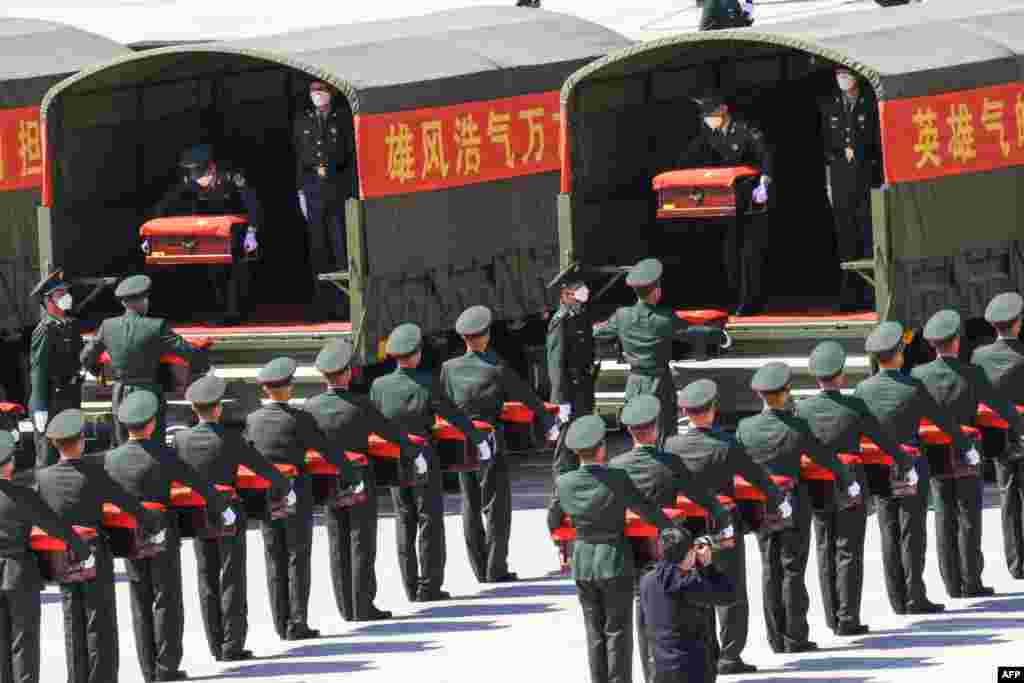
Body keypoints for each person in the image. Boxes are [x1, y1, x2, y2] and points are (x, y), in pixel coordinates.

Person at [665, 378, 790, 675]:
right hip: (722, 525)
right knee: (729, 588)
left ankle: (706, 653)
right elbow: (757, 476)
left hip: (689, 526)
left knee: (696, 587)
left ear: (686, 411)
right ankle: (730, 655)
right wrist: (778, 498)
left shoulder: (672, 444)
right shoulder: (726, 444)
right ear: (712, 409)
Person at [105, 390, 231, 683]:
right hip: (162, 531)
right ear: (150, 424)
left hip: (130, 533)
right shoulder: (164, 454)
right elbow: (197, 482)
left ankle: (148, 668)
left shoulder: (112, 458)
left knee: (140, 599)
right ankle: (167, 666)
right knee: (166, 598)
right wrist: (222, 508)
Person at [795, 341, 916, 636]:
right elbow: (882, 439)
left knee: (824, 549)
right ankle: (848, 616)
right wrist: (905, 462)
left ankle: (831, 617)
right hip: (850, 483)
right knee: (848, 549)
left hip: (817, 485)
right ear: (841, 375)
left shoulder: (803, 409)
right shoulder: (854, 407)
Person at [736, 362, 859, 653]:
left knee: (769, 567)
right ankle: (795, 636)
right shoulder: (796, 426)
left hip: (761, 503)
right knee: (792, 569)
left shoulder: (745, 427)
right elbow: (823, 456)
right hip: (792, 501)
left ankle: (775, 638)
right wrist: (846, 479)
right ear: (786, 392)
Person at [609, 394, 733, 683]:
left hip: (635, 550)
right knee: (691, 609)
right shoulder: (669, 462)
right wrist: (723, 521)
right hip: (672, 549)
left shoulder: (616, 465)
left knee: (646, 615)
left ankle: (653, 673)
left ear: (629, 431)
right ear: (655, 429)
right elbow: (701, 495)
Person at [854, 320, 974, 615]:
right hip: (909, 465)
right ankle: (915, 595)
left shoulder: (862, 389)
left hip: (878, 467)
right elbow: (941, 420)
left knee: (888, 530)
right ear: (897, 353)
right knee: (913, 532)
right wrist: (965, 444)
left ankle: (897, 599)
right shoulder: (912, 387)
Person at [36, 408, 162, 683]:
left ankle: (77, 677)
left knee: (72, 620)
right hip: (95, 552)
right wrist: (152, 524)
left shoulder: (43, 478)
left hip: (63, 555)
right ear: (81, 440)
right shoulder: (95, 473)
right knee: (100, 620)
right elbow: (128, 503)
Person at [174, 374, 294, 661]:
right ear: (218, 408)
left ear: (194, 409)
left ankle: (215, 643)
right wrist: (286, 488)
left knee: (206, 578)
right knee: (231, 578)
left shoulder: (181, 440)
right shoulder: (231, 439)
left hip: (198, 512)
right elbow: (263, 468)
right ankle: (232, 644)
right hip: (228, 512)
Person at [371, 324, 492, 602]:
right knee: (429, 521)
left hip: (394, 458)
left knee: (404, 520)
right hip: (423, 456)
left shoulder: (379, 386)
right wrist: (477, 438)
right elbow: (453, 415)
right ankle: (430, 586)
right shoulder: (426, 382)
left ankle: (410, 587)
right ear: (417, 354)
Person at [441, 305, 560, 583]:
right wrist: (547, 417)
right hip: (490, 441)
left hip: (461, 441)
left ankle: (479, 569)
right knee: (496, 506)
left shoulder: (448, 368)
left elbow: (444, 405)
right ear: (485, 336)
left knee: (470, 504)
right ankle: (496, 568)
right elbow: (526, 396)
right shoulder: (495, 367)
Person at [912, 309, 1024, 598]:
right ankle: (971, 580)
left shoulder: (918, 375)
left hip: (935, 451)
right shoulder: (972, 374)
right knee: (968, 516)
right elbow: (1000, 405)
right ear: (957, 342)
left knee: (943, 515)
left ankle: (951, 584)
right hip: (966, 452)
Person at [305, 339, 417, 620]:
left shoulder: (310, 406)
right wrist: (413, 448)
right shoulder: (360, 404)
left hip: (329, 478)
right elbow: (389, 432)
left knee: (336, 538)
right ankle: (362, 605)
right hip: (359, 477)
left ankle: (345, 607)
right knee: (361, 540)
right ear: (347, 373)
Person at [556, 414, 673, 683]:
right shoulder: (617, 477)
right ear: (601, 448)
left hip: (583, 561)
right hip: (614, 559)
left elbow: (553, 519)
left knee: (594, 632)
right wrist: (671, 527)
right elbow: (645, 509)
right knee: (617, 631)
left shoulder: (564, 482)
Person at [594, 258, 730, 447]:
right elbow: (691, 332)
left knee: (640, 435)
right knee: (664, 436)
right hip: (659, 384)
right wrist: (719, 334)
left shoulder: (621, 316)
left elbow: (598, 333)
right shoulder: (663, 318)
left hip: (635, 383)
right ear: (656, 290)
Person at [245, 357, 331, 640]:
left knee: (274, 557)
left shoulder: (253, 420)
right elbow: (324, 449)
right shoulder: (300, 418)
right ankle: (297, 621)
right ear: (288, 388)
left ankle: (280, 622)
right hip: (296, 491)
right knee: (297, 555)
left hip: (267, 495)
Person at [0, 430, 92, 683]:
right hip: (19, 573)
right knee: (24, 641)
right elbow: (56, 526)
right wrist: (82, 550)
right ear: (11, 462)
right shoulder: (24, 496)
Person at [80, 274, 204, 446]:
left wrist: (99, 372)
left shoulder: (107, 326)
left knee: (123, 448)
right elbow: (188, 352)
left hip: (120, 395)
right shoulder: (156, 326)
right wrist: (202, 362)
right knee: (154, 449)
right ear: (143, 301)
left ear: (123, 302)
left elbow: (85, 357)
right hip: (149, 394)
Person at [679, 97, 772, 315]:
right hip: (727, 203)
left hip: (752, 201)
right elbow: (690, 155)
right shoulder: (709, 134)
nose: (708, 120)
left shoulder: (745, 130)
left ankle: (751, 302)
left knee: (750, 255)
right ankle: (735, 299)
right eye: (705, 116)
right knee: (730, 255)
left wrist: (765, 182)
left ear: (724, 110)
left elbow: (766, 155)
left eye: (710, 114)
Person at [151, 144, 261, 321]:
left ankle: (236, 313)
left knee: (236, 273)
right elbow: (164, 205)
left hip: (237, 231)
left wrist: (252, 232)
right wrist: (153, 232)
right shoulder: (189, 180)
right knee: (215, 272)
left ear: (211, 168)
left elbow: (252, 205)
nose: (196, 179)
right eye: (192, 174)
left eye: (200, 173)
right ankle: (223, 312)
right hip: (210, 233)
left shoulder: (232, 178)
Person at [971, 292, 1024, 580]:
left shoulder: (979, 356)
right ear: (1017, 324)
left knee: (1007, 496)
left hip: (998, 435)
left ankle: (1015, 563)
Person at [639, 527, 736, 683]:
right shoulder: (688, 583)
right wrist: (708, 566)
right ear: (689, 554)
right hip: (692, 668)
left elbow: (644, 626)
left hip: (660, 668)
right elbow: (729, 595)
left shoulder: (646, 580)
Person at [820, 67, 882, 311]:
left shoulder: (870, 102)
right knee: (846, 238)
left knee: (867, 234)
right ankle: (849, 296)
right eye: (838, 75)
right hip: (841, 181)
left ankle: (871, 294)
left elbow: (878, 141)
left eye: (846, 74)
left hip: (867, 178)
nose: (842, 79)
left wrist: (861, 154)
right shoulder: (831, 105)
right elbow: (826, 145)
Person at [294, 80, 356, 321]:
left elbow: (350, 156)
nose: (317, 95)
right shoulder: (303, 120)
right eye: (313, 92)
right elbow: (300, 156)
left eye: (321, 91)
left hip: (338, 189)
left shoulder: (341, 118)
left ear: (330, 94)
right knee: (318, 249)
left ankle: (346, 305)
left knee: (341, 247)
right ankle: (323, 306)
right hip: (313, 191)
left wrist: (352, 189)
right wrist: (300, 190)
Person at [547, 279, 596, 547]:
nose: (584, 292)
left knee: (580, 453)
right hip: (570, 397)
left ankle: (575, 509)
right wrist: (560, 402)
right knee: (565, 457)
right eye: (579, 288)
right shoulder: (561, 320)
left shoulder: (579, 315)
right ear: (566, 293)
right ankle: (556, 515)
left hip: (583, 394)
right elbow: (555, 363)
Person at [29, 269, 84, 468]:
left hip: (69, 395)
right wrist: (40, 406)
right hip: (51, 399)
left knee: (71, 452)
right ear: (48, 300)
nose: (66, 297)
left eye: (65, 293)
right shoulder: (45, 330)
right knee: (48, 457)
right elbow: (38, 369)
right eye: (60, 294)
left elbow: (79, 357)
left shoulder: (71, 325)